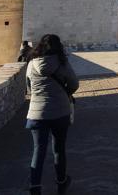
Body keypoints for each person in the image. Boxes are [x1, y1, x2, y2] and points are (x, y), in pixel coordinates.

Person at [26, 34, 79, 194]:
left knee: (38, 150)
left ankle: (35, 188)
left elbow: (28, 88)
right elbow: (74, 84)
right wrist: (65, 93)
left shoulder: (31, 64)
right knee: (59, 149)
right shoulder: (62, 62)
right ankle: (61, 182)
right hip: (60, 112)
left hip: (36, 114)